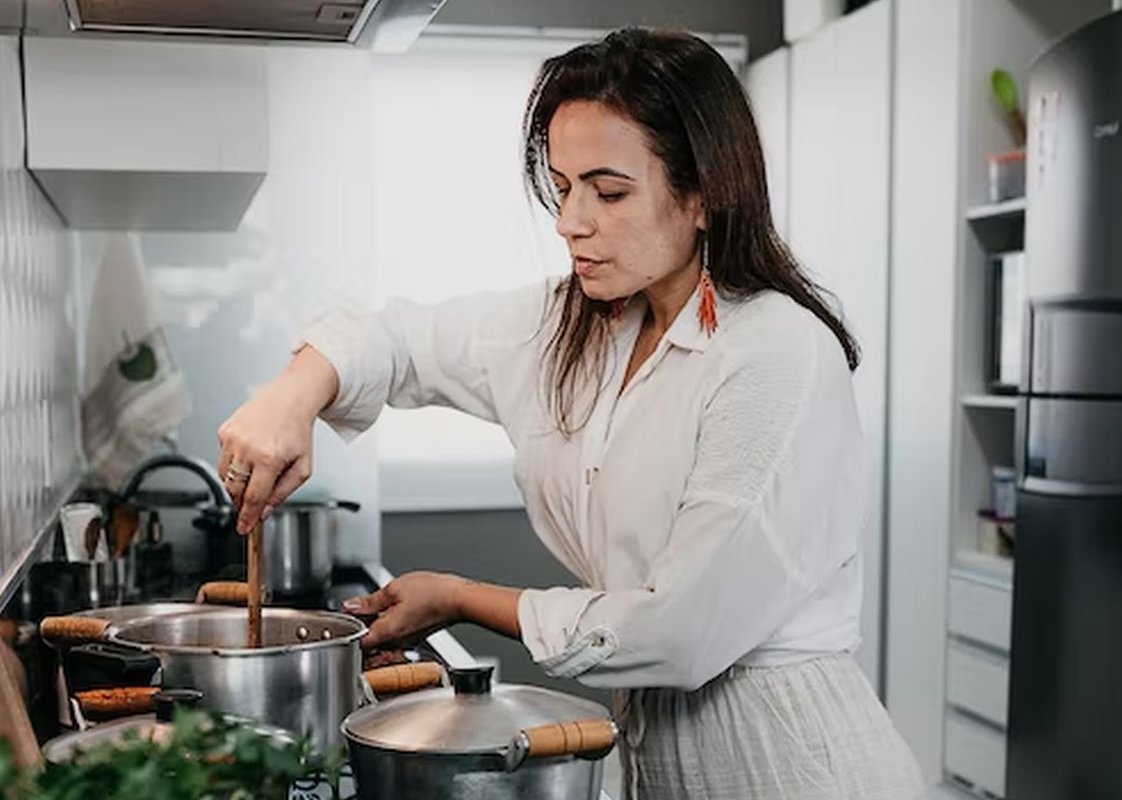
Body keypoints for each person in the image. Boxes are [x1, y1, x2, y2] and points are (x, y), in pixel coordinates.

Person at [217, 28, 924, 800]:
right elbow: (396, 339)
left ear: (702, 195)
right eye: (562, 188)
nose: (570, 222)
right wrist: (291, 395)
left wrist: (459, 598)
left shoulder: (776, 354)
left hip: (791, 764)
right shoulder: (580, 324)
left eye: (609, 192)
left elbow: (681, 633)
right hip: (660, 757)